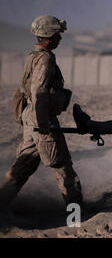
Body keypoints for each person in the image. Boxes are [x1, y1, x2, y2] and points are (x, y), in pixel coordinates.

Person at [0, 16, 84, 211]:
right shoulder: (45, 58)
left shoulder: (34, 55)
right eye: (57, 35)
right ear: (48, 36)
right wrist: (43, 123)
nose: (60, 39)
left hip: (32, 117)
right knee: (62, 167)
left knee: (23, 166)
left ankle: (2, 203)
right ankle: (77, 215)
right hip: (41, 118)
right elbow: (39, 92)